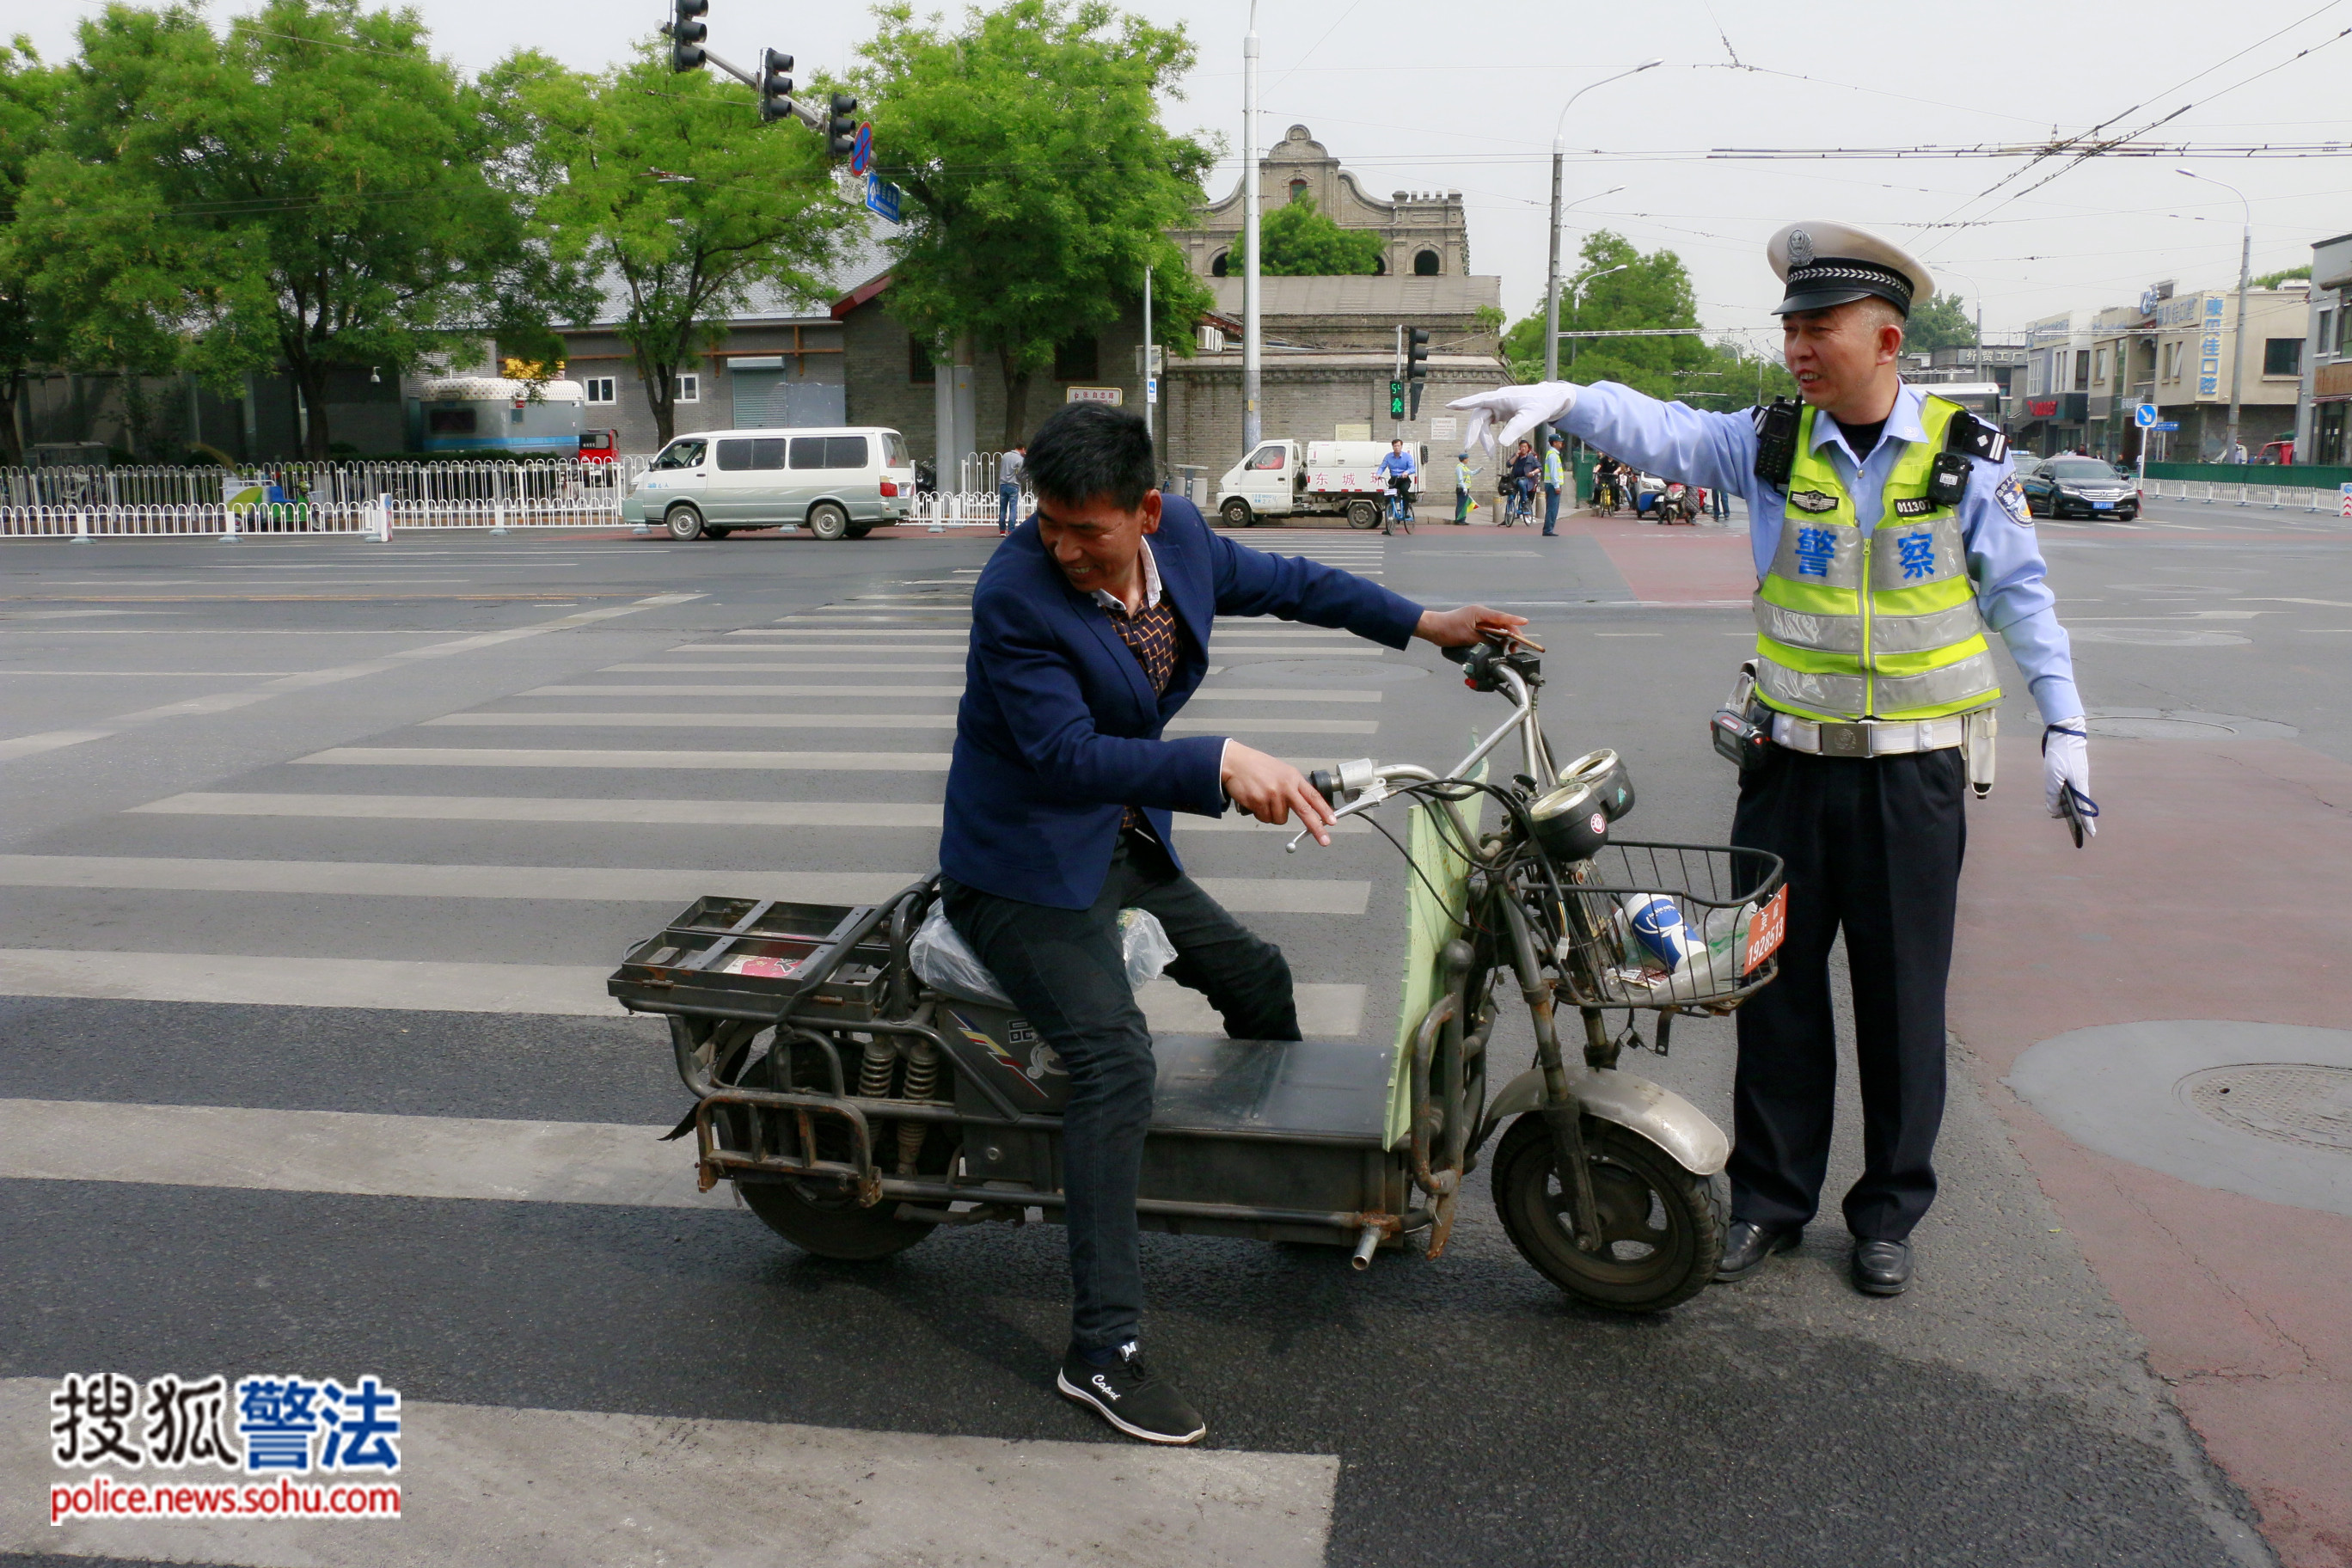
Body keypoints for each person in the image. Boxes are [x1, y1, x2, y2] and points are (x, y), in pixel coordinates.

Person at [1451, 220, 2095, 1301]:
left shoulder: (1961, 453)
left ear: (1886, 337)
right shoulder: (1769, 441)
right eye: (1790, 327)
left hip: (1911, 777)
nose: (1799, 346)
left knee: (1901, 1001)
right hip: (1788, 769)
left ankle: (1889, 1211)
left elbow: (2022, 597)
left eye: (1821, 327)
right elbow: (1663, 431)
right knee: (1776, 994)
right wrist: (1572, 399)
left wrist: (2066, 726)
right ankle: (1770, 1200)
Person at [940, 402, 1524, 1443]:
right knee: (1116, 1061)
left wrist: (1423, 622)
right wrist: (1217, 761)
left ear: (1147, 511)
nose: (1062, 547)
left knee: (1256, 978)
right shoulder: (1016, 595)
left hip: (1122, 844)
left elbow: (1297, 584)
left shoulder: (1186, 543)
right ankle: (1102, 1350)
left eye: (1088, 529)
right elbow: (1063, 757)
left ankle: (1297, 1193)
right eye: (1049, 523)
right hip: (1023, 870)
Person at [1375, 437, 1418, 536]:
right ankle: (1390, 523)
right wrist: (1378, 474)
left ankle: (1406, 512)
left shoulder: (1407, 457)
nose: (1397, 448)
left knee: (1403, 490)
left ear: (1401, 446)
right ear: (1393, 447)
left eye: (1398, 446)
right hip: (1394, 479)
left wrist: (1407, 472)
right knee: (1389, 497)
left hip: (1404, 479)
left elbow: (1413, 468)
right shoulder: (1388, 457)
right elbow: (1382, 466)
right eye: (1395, 446)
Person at [1505, 439, 1540, 524]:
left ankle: (1524, 502)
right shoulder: (1516, 456)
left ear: (1528, 448)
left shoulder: (1531, 457)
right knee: (1511, 493)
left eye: (1525, 447)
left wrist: (1532, 473)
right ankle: (1510, 511)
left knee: (1521, 483)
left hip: (1526, 479)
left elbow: (1539, 468)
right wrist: (1516, 456)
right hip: (1515, 479)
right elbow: (1508, 464)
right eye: (1521, 447)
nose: (1523, 449)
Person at [997, 444, 1026, 534]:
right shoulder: (1020, 459)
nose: (1025, 452)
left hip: (1003, 484)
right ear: (1022, 449)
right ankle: (1011, 530)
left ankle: (1002, 530)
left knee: (1002, 508)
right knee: (1013, 508)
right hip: (1014, 484)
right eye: (1025, 450)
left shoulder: (1005, 456)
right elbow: (1020, 473)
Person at [1541, 434, 1566, 536]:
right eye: (1559, 441)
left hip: (1552, 485)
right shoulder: (1552, 455)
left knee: (1552, 507)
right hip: (1553, 485)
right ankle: (1548, 529)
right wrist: (1557, 485)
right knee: (1552, 508)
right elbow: (1553, 472)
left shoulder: (1553, 454)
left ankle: (1549, 528)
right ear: (1554, 443)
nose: (1561, 443)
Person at [1454, 450, 1478, 524]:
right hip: (1462, 489)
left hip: (1466, 489)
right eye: (1467, 458)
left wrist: (1479, 470)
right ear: (1464, 459)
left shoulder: (1465, 467)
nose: (1468, 460)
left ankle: (1463, 519)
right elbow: (1460, 479)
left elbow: (1472, 473)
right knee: (1461, 504)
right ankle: (1458, 520)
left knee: (1464, 505)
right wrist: (1464, 487)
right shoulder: (1459, 468)